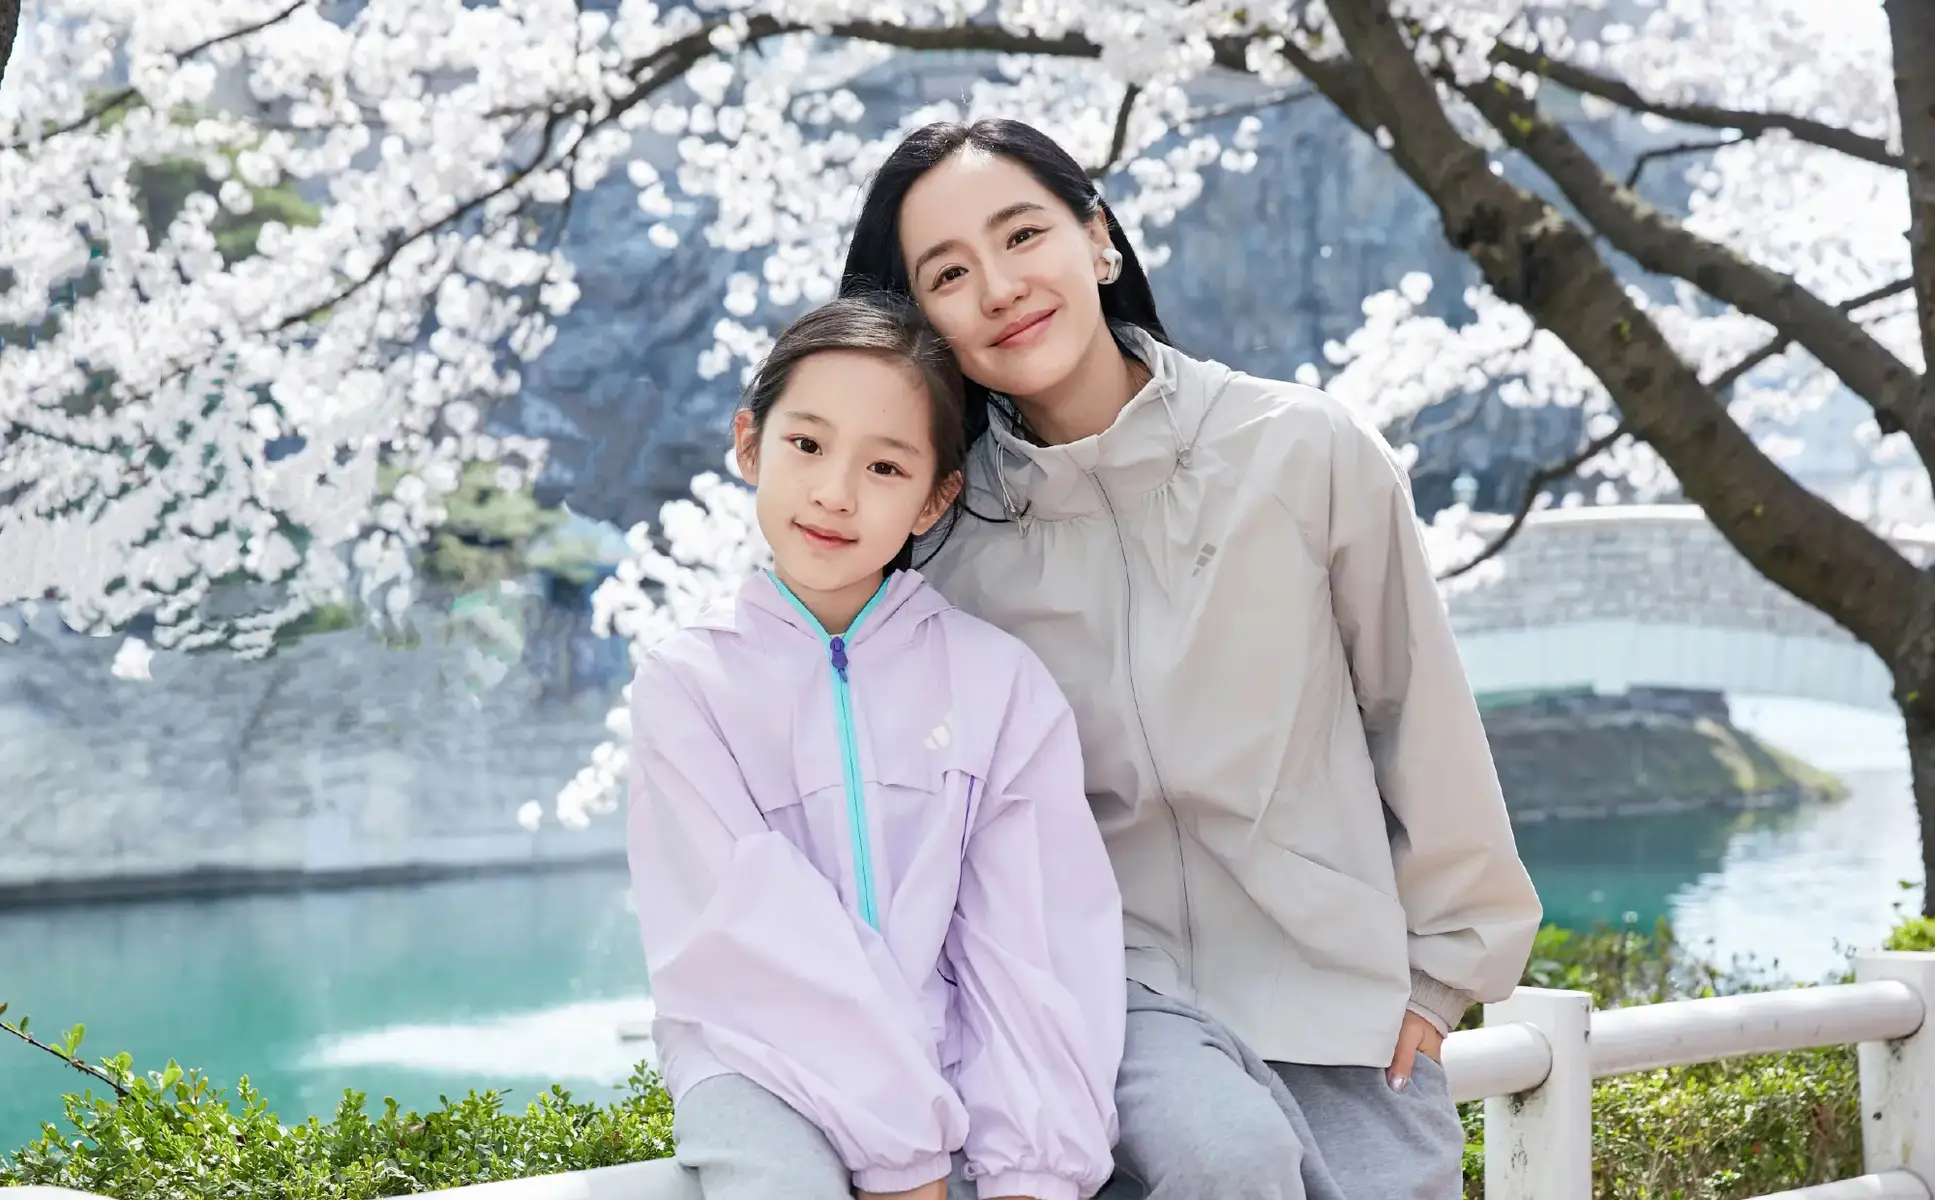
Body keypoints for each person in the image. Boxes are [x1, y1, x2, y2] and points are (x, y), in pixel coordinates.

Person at [836, 119, 1544, 1200]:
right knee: (1224, 1159)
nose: (1000, 288)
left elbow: (1419, 716)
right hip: (1108, 1022)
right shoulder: (941, 553)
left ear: (1099, 239)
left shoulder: (1303, 452)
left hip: (1339, 1011)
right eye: (948, 274)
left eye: (1022, 235)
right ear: (924, 322)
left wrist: (1442, 978)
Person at [625, 294, 1128, 1200]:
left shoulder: (997, 684)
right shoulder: (687, 686)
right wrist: (903, 1157)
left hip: (950, 1059)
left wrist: (1031, 1166)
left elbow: (1034, 943)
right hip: (756, 1064)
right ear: (749, 443)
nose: (834, 493)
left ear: (936, 497)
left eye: (885, 466)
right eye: (806, 445)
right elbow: (747, 937)